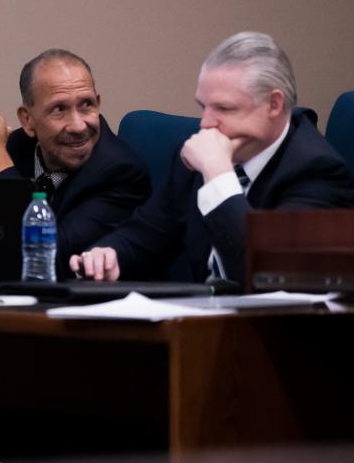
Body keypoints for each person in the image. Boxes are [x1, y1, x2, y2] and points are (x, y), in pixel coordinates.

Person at [71, 31, 354, 285]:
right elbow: (149, 232)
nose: (205, 123)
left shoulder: (316, 170)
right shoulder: (199, 157)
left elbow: (268, 272)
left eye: (223, 108)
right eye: (203, 107)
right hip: (202, 330)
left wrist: (217, 174)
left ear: (274, 104)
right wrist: (108, 255)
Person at [0, 49, 151, 278]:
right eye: (59, 109)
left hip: (82, 317)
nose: (78, 125)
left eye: (86, 105)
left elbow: (48, 258)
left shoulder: (121, 172)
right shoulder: (10, 151)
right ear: (28, 119)